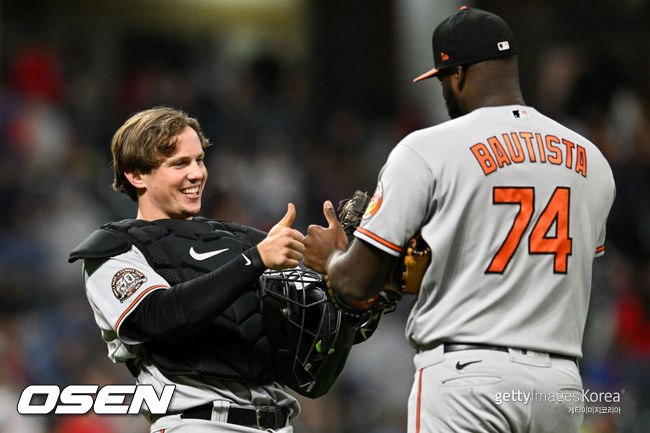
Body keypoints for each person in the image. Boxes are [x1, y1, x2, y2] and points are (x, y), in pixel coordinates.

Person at [303, 6, 616, 433]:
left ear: (459, 75)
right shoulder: (591, 159)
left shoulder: (428, 148)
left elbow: (356, 283)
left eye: (444, 81)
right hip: (558, 388)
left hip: (467, 378)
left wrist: (333, 259)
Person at [68, 106, 307, 433]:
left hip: (280, 424)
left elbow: (310, 352)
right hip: (197, 424)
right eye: (179, 163)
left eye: (199, 160)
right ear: (136, 175)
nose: (196, 173)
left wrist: (343, 289)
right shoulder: (115, 251)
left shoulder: (242, 241)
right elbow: (158, 316)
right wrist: (256, 260)